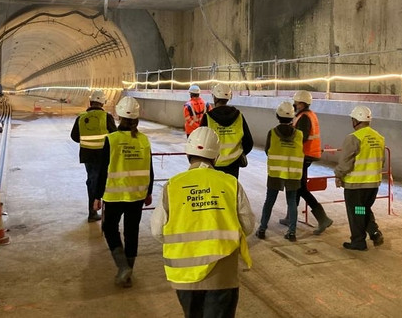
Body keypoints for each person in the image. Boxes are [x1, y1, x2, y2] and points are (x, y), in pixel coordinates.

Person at [151, 126, 255, 318]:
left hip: (184, 276)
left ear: (187, 153)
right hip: (222, 277)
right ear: (216, 156)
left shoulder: (173, 185)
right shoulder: (230, 183)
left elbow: (157, 231)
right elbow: (248, 225)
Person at [95, 96, 154, 287]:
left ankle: (122, 266)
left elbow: (103, 170)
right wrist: (149, 191)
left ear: (118, 116)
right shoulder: (144, 140)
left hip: (114, 195)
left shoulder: (111, 140)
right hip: (137, 195)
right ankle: (128, 270)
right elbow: (149, 169)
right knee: (132, 232)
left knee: (110, 229)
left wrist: (97, 196)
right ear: (137, 118)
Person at [279, 90, 333, 235]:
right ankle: (291, 216)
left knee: (300, 188)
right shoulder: (308, 115)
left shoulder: (304, 118)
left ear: (301, 103)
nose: (294, 105)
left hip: (303, 155)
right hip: (307, 155)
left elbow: (300, 138)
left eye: (296, 102)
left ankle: (323, 218)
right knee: (298, 187)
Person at [334, 105, 385, 251]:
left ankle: (358, 241)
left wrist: (338, 175)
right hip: (373, 184)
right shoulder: (379, 137)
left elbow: (345, 162)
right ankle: (374, 232)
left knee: (356, 212)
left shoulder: (354, 138)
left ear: (355, 120)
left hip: (356, 185)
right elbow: (382, 161)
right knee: (362, 209)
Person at [256, 101, 303, 242]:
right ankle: (292, 232)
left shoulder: (273, 133)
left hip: (276, 173)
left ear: (277, 116)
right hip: (293, 173)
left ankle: (262, 229)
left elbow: (267, 150)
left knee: (269, 201)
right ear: (293, 117)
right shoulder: (299, 134)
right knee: (292, 202)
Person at [70, 89, 117, 222]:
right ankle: (95, 211)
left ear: (90, 102)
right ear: (102, 103)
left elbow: (74, 136)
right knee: (102, 181)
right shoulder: (106, 117)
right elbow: (115, 135)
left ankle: (92, 210)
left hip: (87, 155)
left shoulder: (81, 117)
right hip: (103, 155)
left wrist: (85, 140)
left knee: (92, 180)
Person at [200, 83, 253, 179]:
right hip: (233, 164)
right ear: (228, 98)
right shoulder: (239, 116)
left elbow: (201, 142)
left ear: (215, 98)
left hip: (213, 163)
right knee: (230, 191)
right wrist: (237, 154)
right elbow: (249, 142)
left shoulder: (208, 117)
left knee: (215, 191)